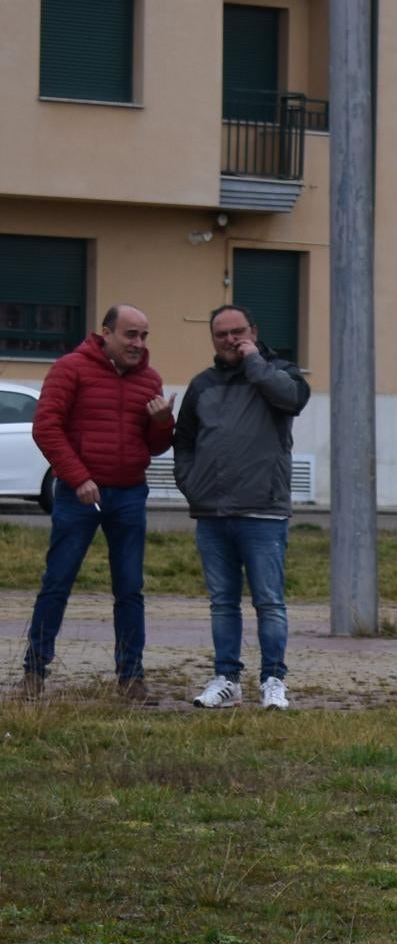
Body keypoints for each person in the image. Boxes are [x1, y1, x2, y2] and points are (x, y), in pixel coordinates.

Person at [20, 303, 174, 702]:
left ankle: (131, 677)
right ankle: (33, 674)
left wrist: (163, 424)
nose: (138, 344)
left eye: (144, 336)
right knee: (57, 583)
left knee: (130, 590)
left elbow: (155, 446)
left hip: (128, 494)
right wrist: (79, 478)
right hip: (79, 496)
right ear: (106, 333)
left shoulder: (149, 380)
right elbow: (46, 427)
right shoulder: (71, 368)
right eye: (130, 335)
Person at [173, 304, 312, 711]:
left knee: (269, 602)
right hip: (213, 513)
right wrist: (191, 484)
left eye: (238, 332)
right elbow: (184, 441)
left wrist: (255, 362)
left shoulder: (281, 373)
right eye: (222, 335)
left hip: (264, 511)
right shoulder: (203, 385)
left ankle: (273, 680)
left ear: (253, 330)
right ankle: (227, 679)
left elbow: (291, 400)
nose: (231, 340)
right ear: (213, 339)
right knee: (222, 603)